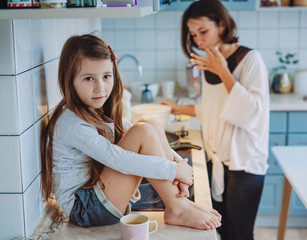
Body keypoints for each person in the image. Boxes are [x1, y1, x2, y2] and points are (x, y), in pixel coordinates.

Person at [40, 34, 221, 230]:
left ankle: (179, 203)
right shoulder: (71, 122)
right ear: (69, 80)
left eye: (106, 77)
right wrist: (174, 171)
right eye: (89, 78)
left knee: (148, 122)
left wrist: (179, 167)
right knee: (142, 131)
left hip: (96, 196)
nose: (100, 87)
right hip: (85, 208)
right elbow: (119, 160)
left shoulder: (92, 110)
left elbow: (140, 132)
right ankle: (176, 207)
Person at [161, 0, 269, 239]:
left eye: (203, 32)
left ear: (221, 25)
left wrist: (223, 71)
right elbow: (211, 109)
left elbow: (252, 112)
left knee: (240, 234)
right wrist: (177, 108)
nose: (198, 40)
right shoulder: (210, 61)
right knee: (222, 231)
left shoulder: (250, 60)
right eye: (193, 34)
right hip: (216, 161)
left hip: (244, 165)